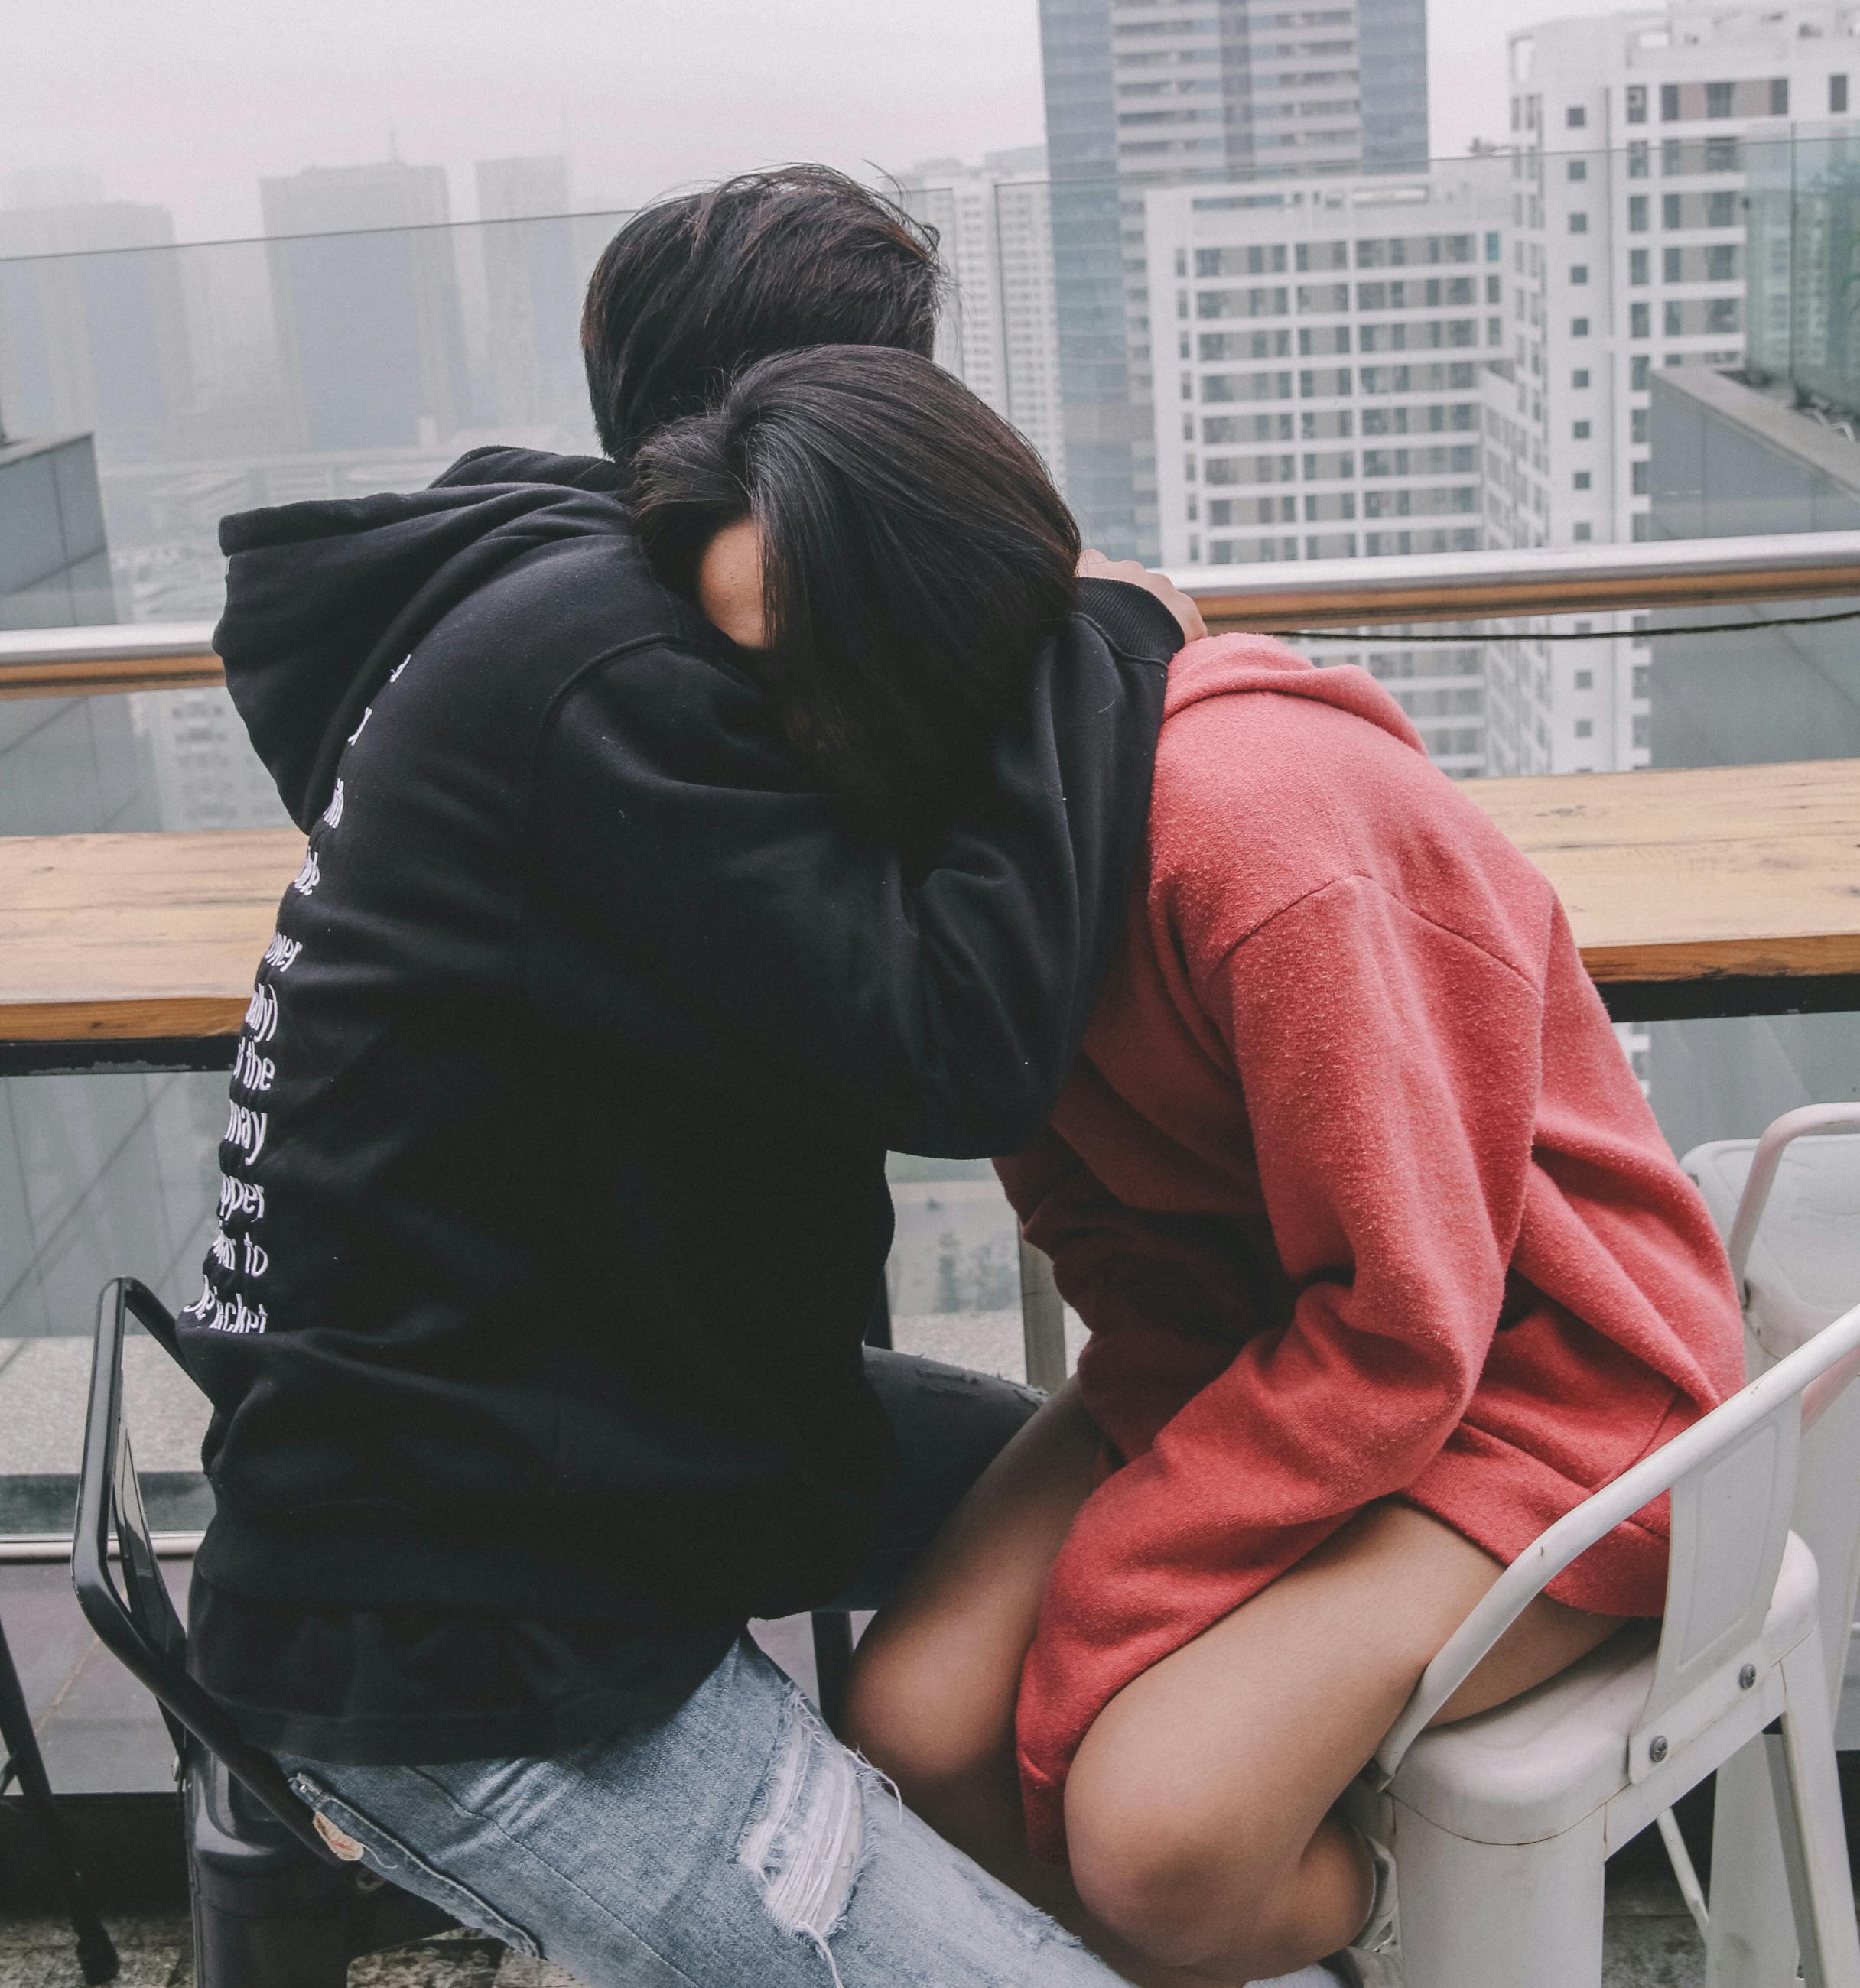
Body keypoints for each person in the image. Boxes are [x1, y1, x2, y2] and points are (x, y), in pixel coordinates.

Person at [182, 167, 1200, 1988]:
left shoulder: (533, 604)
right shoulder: (608, 673)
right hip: (466, 1631)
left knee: (1172, 1485)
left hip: (574, 1435)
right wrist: (1100, 634)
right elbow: (956, 1037)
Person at [635, 343, 1749, 1988]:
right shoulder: (965, 871)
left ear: (940, 616)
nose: (787, 732)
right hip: (1271, 1355)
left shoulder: (1251, 835)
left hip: (1551, 1386)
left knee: (1156, 1830)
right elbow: (1117, 1255)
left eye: (815, 674)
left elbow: (1411, 1320)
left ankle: (1348, 1926)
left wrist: (1113, 1615)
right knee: (916, 1730)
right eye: (754, 684)